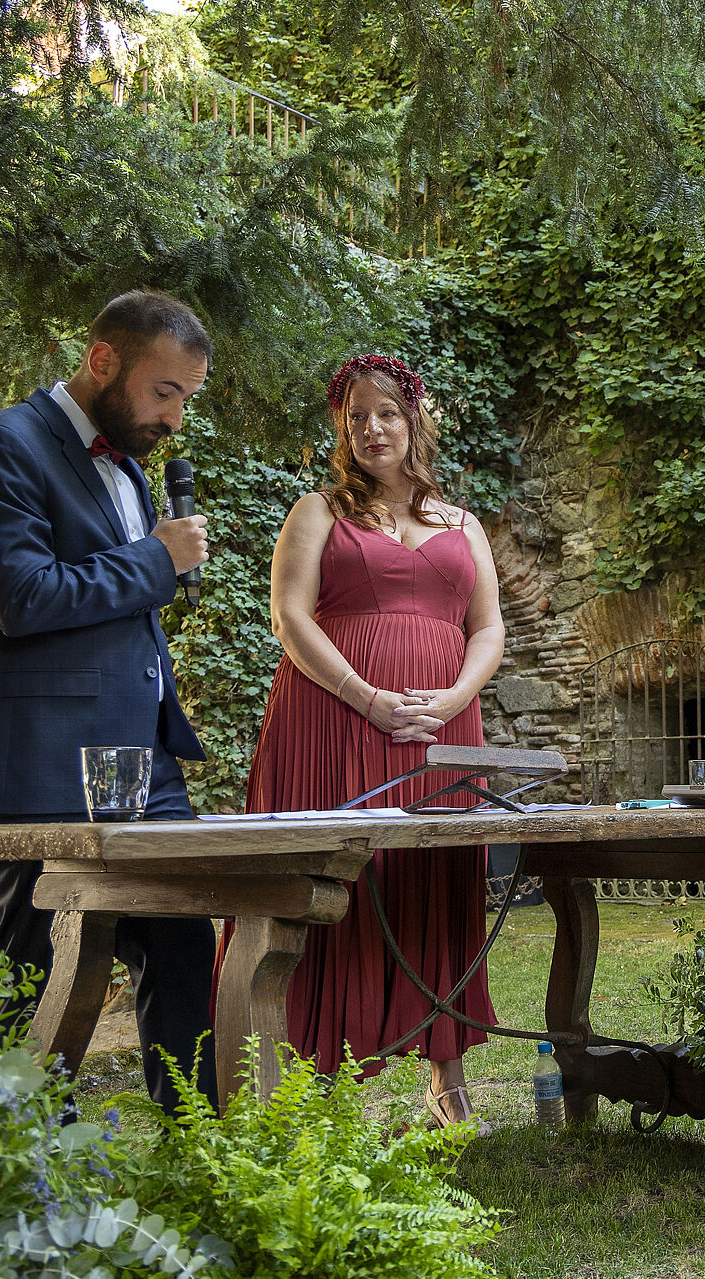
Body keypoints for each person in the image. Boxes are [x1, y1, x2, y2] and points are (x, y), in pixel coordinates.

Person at [0, 289, 218, 1116]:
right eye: (165, 391)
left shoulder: (128, 462)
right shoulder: (1, 448)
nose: (175, 418)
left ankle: (200, 1151)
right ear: (103, 361)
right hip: (46, 759)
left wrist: (153, 566)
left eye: (187, 399)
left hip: (145, 762)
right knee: (42, 966)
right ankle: (26, 1166)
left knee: (181, 942)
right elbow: (20, 597)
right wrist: (154, 562)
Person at [231, 353, 504, 1127]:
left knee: (435, 882)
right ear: (341, 430)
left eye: (386, 412)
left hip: (439, 730)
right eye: (355, 417)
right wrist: (368, 698)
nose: (371, 428)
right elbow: (290, 617)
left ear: (414, 419)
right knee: (334, 881)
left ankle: (445, 1076)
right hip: (335, 719)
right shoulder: (317, 511)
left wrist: (451, 699)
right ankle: (308, 1072)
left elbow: (487, 628)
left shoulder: (464, 525)